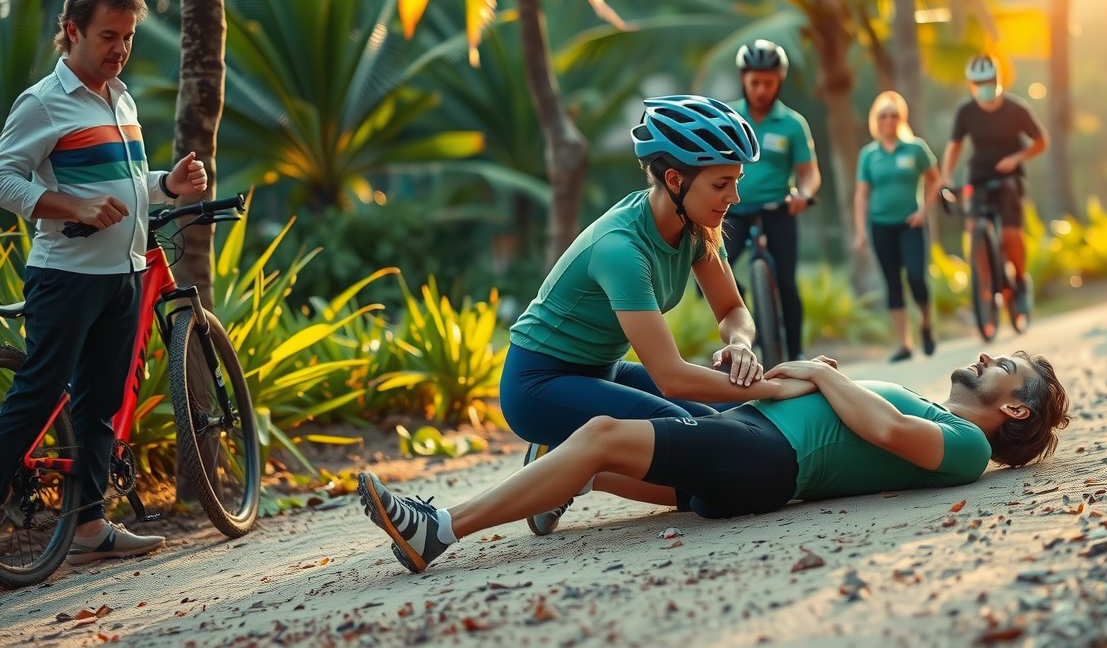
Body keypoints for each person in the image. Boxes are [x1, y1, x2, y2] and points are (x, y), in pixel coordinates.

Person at [355, 350, 1071, 574]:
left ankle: (440, 529)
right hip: (747, 435)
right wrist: (813, 378)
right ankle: (561, 480)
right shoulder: (941, 413)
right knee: (619, 392)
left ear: (1015, 410)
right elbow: (848, 410)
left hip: (767, 460)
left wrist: (819, 374)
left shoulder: (968, 447)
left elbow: (882, 427)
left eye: (1004, 367)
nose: (986, 357)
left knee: (602, 431)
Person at [504, 95, 817, 538]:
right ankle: (569, 464)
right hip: (539, 384)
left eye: (736, 181)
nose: (734, 197)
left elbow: (732, 309)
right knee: (699, 445)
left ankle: (566, 459)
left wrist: (740, 343)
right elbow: (672, 377)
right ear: (675, 179)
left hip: (604, 372)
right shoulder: (621, 248)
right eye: (722, 183)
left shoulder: (697, 228)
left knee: (733, 418)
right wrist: (777, 386)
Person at [0, 0, 208, 564]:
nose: (120, 49)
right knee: (40, 394)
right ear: (73, 31)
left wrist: (168, 184)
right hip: (66, 275)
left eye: (129, 37)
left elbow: (123, 186)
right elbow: (4, 179)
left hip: (123, 275)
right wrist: (74, 207)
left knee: (99, 403)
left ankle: (90, 527)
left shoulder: (121, 99)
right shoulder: (43, 102)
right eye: (108, 36)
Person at [723, 40, 820, 362]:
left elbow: (809, 173)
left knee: (787, 283)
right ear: (743, 79)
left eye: (769, 82)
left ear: (779, 81)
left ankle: (796, 353)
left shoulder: (793, 124)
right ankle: (749, 318)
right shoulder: (728, 118)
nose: (761, 90)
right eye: (755, 82)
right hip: (732, 212)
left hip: (779, 210)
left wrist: (804, 194)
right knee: (713, 270)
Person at [941, 55, 1049, 330]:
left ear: (998, 80)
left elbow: (1041, 141)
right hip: (978, 175)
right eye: (979, 83)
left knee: (1011, 234)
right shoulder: (966, 111)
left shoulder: (1016, 109)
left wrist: (1017, 158)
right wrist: (946, 176)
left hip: (1008, 177)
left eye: (989, 81)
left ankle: (1020, 281)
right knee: (974, 230)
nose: (985, 87)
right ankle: (986, 291)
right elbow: (954, 146)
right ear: (971, 84)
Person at [854, 92, 941, 363]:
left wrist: (923, 211)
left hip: (910, 225)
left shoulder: (915, 148)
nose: (889, 120)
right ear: (876, 120)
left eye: (894, 115)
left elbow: (935, 181)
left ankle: (926, 324)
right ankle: (905, 344)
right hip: (881, 226)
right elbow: (861, 195)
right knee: (892, 283)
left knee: (916, 276)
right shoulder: (869, 155)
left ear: (901, 119)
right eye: (884, 116)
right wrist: (860, 231)